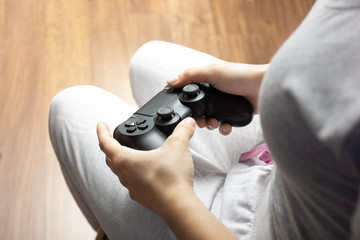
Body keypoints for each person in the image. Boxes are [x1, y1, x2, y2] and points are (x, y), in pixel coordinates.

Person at [49, 0, 360, 239]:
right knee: (148, 58)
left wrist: (171, 196)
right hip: (281, 159)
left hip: (247, 229)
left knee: (69, 107)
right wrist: (266, 81)